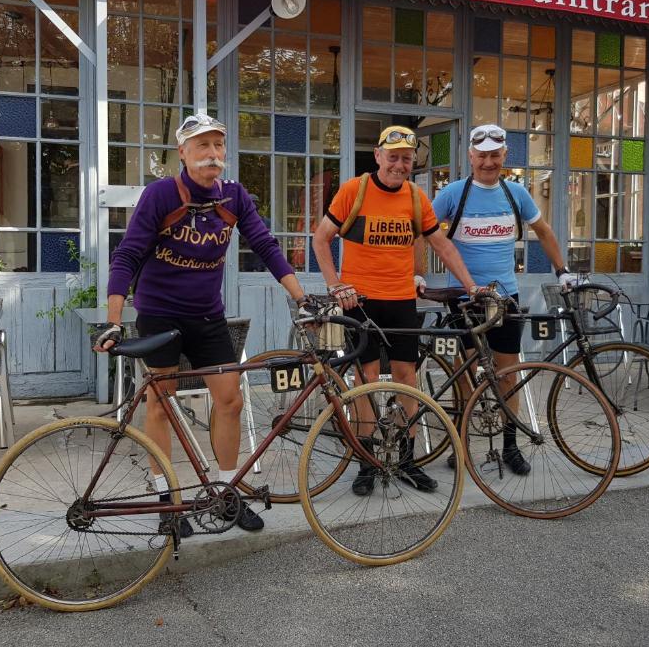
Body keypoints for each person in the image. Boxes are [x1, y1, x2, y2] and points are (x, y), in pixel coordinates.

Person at [94, 113, 306, 533]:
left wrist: (302, 297)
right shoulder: (160, 195)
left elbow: (264, 244)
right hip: (160, 313)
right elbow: (127, 256)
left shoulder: (234, 197)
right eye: (202, 146)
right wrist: (114, 320)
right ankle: (166, 501)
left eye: (218, 146)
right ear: (183, 153)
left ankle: (226, 493)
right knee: (162, 402)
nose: (212, 154)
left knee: (230, 400)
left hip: (208, 315)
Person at [312, 124, 480, 496]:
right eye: (394, 157)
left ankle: (406, 459)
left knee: (408, 378)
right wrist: (335, 284)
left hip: (402, 299)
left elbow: (442, 246)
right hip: (360, 303)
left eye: (406, 159)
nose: (400, 165)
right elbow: (321, 238)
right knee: (366, 380)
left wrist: (471, 286)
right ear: (378, 156)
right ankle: (367, 462)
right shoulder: (354, 191)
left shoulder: (417, 197)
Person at [430, 123, 575, 475]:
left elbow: (544, 231)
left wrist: (562, 270)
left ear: (504, 155)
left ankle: (511, 446)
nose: (489, 162)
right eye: (482, 155)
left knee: (509, 372)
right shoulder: (452, 194)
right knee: (463, 372)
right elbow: (424, 234)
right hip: (462, 298)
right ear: (471, 156)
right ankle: (461, 444)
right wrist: (418, 275)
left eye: (495, 155)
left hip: (505, 296)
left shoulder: (516, 194)